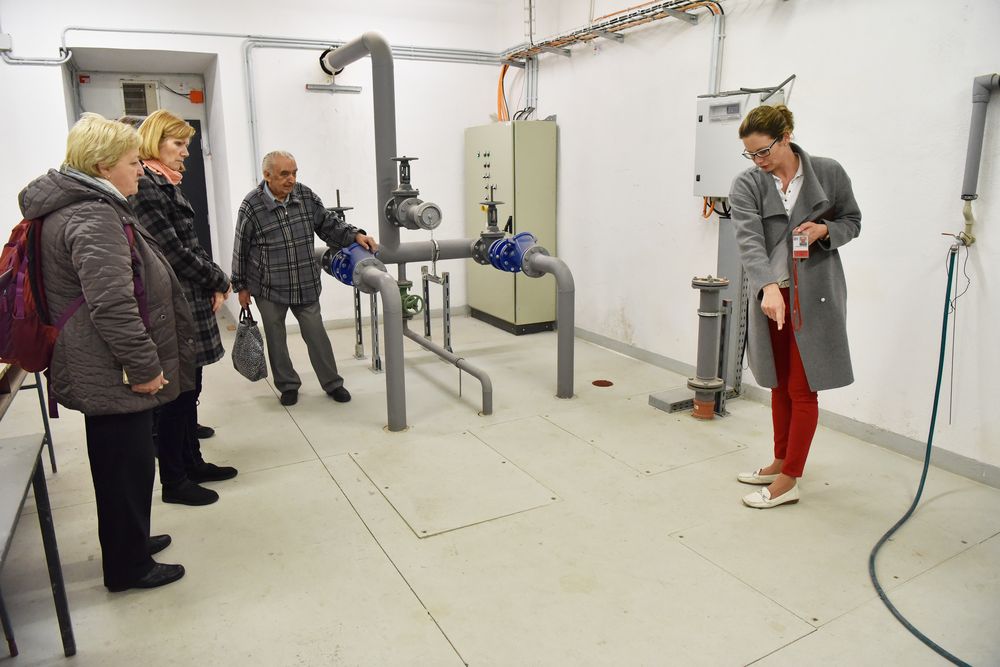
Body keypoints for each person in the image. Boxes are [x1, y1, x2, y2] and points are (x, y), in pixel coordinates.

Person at [18, 112, 193, 591]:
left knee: (124, 466)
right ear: (101, 166)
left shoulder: (85, 207)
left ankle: (130, 542)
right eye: (133, 162)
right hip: (110, 367)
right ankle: (128, 566)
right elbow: (113, 305)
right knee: (123, 465)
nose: (140, 170)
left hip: (99, 361)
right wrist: (144, 366)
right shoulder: (92, 216)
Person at [728, 104, 861, 509]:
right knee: (779, 383)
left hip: (815, 296)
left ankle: (790, 479)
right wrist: (768, 287)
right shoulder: (748, 183)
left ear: (785, 137)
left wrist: (824, 229)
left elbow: (852, 221)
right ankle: (780, 460)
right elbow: (749, 240)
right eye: (750, 154)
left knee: (803, 388)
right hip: (772, 296)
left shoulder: (828, 172)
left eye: (763, 151)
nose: (757, 160)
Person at [132, 110, 237, 506]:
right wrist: (218, 280)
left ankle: (193, 462)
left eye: (187, 145)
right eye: (178, 144)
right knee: (176, 397)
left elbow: (191, 245)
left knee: (190, 388)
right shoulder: (147, 186)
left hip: (188, 296)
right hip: (174, 302)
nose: (185, 152)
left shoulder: (166, 182)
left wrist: (214, 279)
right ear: (154, 142)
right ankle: (175, 480)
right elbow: (172, 252)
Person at [231, 151, 377, 406]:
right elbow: (240, 246)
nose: (291, 179)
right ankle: (288, 385)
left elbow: (329, 224)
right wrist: (240, 286)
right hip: (268, 286)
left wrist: (355, 235)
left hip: (304, 281)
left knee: (316, 334)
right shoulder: (252, 205)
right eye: (284, 174)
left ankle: (332, 383)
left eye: (294, 173)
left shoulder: (305, 196)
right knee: (276, 339)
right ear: (267, 175)